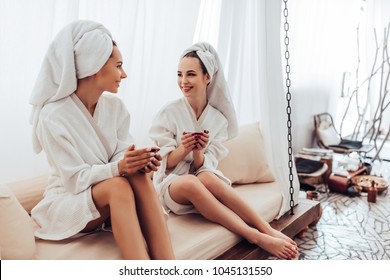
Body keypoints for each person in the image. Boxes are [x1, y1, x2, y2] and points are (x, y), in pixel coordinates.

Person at [29, 20, 175, 260]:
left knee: (136, 175)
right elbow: (75, 180)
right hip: (68, 199)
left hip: (107, 194)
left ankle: (168, 266)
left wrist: (137, 162)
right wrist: (119, 167)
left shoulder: (115, 107)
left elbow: (121, 154)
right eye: (118, 66)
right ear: (94, 65)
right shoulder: (52, 116)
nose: (124, 74)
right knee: (117, 185)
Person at [149, 42, 298, 260]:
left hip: (202, 182)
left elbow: (204, 167)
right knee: (192, 182)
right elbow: (165, 164)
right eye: (180, 74)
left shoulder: (217, 119)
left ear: (207, 77)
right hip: (172, 186)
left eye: (190, 74)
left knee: (207, 178)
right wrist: (183, 149)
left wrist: (199, 151)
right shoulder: (168, 113)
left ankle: (266, 228)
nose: (183, 81)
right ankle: (255, 236)